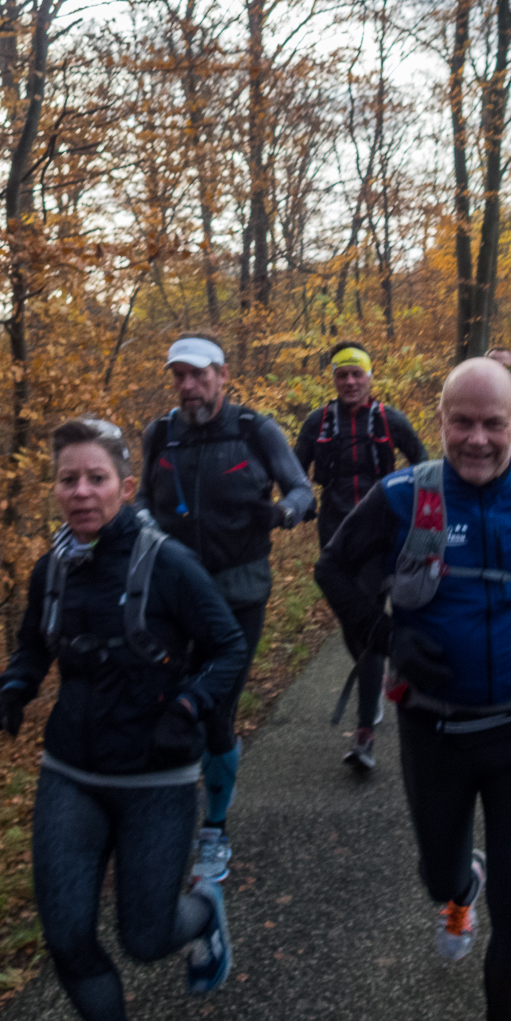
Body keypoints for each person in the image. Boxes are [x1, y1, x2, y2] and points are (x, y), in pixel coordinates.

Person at [315, 358, 511, 1021]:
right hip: (432, 733)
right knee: (440, 876)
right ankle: (460, 888)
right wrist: (383, 635)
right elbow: (331, 565)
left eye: (493, 423)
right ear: (440, 421)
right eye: (462, 422)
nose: (476, 438)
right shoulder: (402, 494)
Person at [0, 418, 248, 1021]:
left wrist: (189, 706)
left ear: (125, 488)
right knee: (67, 940)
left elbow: (228, 646)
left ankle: (204, 909)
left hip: (155, 778)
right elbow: (33, 646)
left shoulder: (170, 565)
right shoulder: (50, 569)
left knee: (146, 940)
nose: (80, 491)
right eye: (67, 479)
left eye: (95, 478)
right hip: (70, 772)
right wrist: (14, 691)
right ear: (54, 489)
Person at [137, 334, 314, 865]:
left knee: (215, 712)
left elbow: (302, 490)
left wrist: (284, 514)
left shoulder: (256, 431)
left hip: (239, 594)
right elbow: (142, 495)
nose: (188, 386)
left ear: (222, 374)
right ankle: (164, 818)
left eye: (198, 374)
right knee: (164, 708)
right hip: (172, 595)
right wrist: (143, 524)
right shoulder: (160, 434)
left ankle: (213, 828)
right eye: (179, 377)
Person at [294, 340, 427, 769]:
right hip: (335, 540)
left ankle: (365, 731)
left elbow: (423, 462)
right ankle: (384, 673)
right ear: (332, 379)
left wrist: (415, 505)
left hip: (382, 537)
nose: (350, 381)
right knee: (354, 626)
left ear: (371, 377)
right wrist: (301, 501)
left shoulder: (389, 418)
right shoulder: (318, 423)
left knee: (367, 628)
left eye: (357, 374)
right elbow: (294, 470)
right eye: (342, 374)